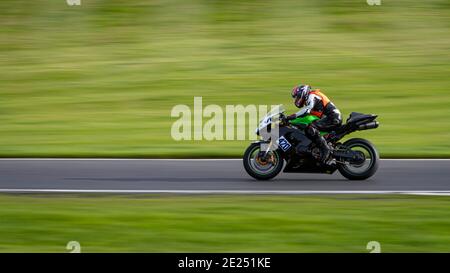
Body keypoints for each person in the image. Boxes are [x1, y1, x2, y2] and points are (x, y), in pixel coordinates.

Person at [286, 85, 342, 163]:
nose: (297, 99)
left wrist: (292, 116)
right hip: (330, 118)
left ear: (303, 93)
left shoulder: (312, 95)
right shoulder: (310, 98)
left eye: (297, 97)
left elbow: (307, 110)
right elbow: (307, 114)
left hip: (333, 118)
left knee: (311, 127)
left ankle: (326, 149)